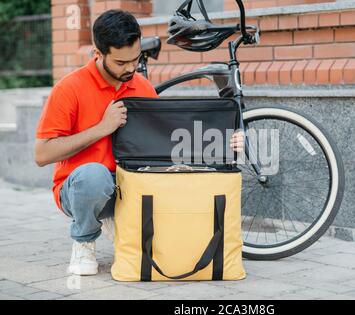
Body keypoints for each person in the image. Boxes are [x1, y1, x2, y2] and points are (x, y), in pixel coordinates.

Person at [34, 9, 244, 276]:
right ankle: (84, 241)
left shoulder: (141, 86)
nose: (131, 68)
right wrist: (102, 128)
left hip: (130, 184)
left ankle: (120, 222)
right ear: (98, 54)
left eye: (134, 59)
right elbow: (41, 154)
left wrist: (225, 145)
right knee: (94, 177)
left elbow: (163, 145)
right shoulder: (69, 88)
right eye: (121, 62)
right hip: (81, 188)